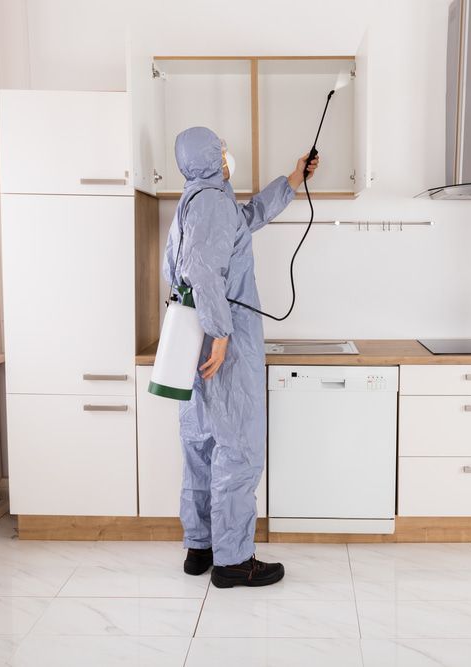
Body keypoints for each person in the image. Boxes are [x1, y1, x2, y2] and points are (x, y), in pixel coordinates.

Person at [162, 126, 318, 588]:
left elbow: (248, 217)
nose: (229, 157)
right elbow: (202, 270)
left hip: (195, 338)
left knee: (202, 446)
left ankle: (201, 547)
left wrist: (293, 179)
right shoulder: (211, 201)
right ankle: (233, 560)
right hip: (220, 342)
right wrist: (221, 334)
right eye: (223, 150)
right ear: (212, 157)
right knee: (237, 450)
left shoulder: (200, 200)